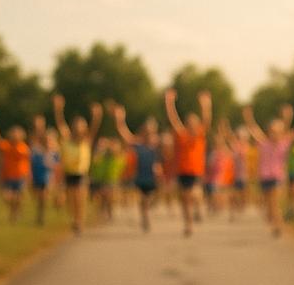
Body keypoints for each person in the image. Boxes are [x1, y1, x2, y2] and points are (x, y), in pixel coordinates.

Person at [241, 102, 294, 237]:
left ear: (281, 133)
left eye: (277, 132)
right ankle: (275, 220)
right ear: (268, 132)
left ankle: (278, 226)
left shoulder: (285, 143)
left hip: (277, 177)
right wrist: (248, 116)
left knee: (275, 202)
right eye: (272, 131)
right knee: (269, 206)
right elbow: (253, 128)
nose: (274, 134)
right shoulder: (263, 143)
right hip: (264, 178)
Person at [163, 87, 211, 238]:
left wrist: (205, 104)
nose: (191, 125)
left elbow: (207, 119)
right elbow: (173, 119)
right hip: (183, 171)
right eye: (189, 123)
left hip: (196, 171)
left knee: (194, 194)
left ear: (197, 125)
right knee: (184, 199)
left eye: (194, 123)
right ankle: (188, 224)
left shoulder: (200, 135)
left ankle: (198, 204)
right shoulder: (181, 135)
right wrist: (169, 102)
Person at [52, 94, 102, 234]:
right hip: (68, 173)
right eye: (76, 125)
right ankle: (75, 219)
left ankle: (79, 221)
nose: (78, 127)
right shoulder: (67, 139)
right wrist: (58, 109)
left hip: (81, 174)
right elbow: (60, 123)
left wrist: (96, 116)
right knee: (71, 200)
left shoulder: (86, 141)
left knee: (80, 198)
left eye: (81, 125)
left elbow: (94, 127)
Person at [112, 103, 164, 233]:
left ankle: (149, 208)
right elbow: (124, 133)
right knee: (144, 199)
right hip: (141, 176)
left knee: (153, 195)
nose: (148, 133)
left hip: (154, 176)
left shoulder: (157, 142)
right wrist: (120, 119)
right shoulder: (138, 143)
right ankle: (145, 218)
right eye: (146, 131)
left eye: (151, 130)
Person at [0, 111, 31, 224]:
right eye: (13, 133)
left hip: (20, 177)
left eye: (17, 133)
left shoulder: (24, 148)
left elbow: (28, 163)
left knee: (18, 198)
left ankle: (15, 214)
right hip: (8, 176)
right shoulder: (6, 146)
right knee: (8, 197)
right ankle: (14, 212)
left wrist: (28, 177)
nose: (15, 135)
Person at [29, 116, 55, 226]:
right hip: (36, 177)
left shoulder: (52, 151)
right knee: (39, 198)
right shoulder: (36, 149)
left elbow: (55, 165)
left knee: (44, 197)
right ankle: (40, 215)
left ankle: (41, 216)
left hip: (47, 178)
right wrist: (39, 127)